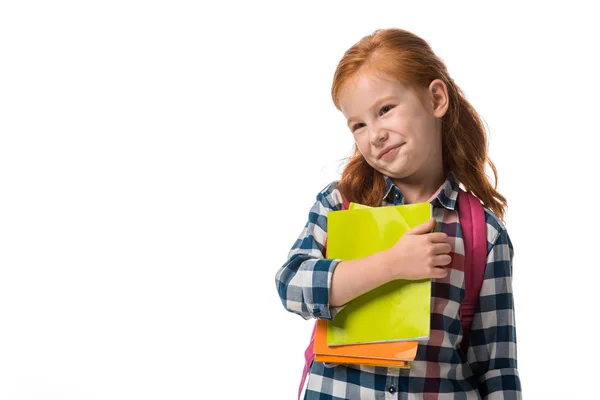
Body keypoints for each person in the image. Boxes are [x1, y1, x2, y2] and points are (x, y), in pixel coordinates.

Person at [274, 28, 521, 399]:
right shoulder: (340, 203)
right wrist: (392, 265)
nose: (374, 134)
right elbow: (291, 286)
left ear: (436, 99)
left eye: (386, 110)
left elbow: (495, 366)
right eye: (359, 124)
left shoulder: (482, 233)